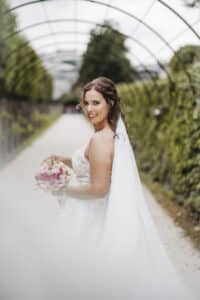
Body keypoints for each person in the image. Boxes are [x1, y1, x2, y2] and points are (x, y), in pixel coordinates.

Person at [44, 77, 197, 300]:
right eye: (86, 103)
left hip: (90, 217)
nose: (89, 109)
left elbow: (99, 188)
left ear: (110, 103)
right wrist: (64, 160)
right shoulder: (111, 135)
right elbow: (92, 164)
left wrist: (63, 188)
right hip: (96, 212)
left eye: (96, 103)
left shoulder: (100, 140)